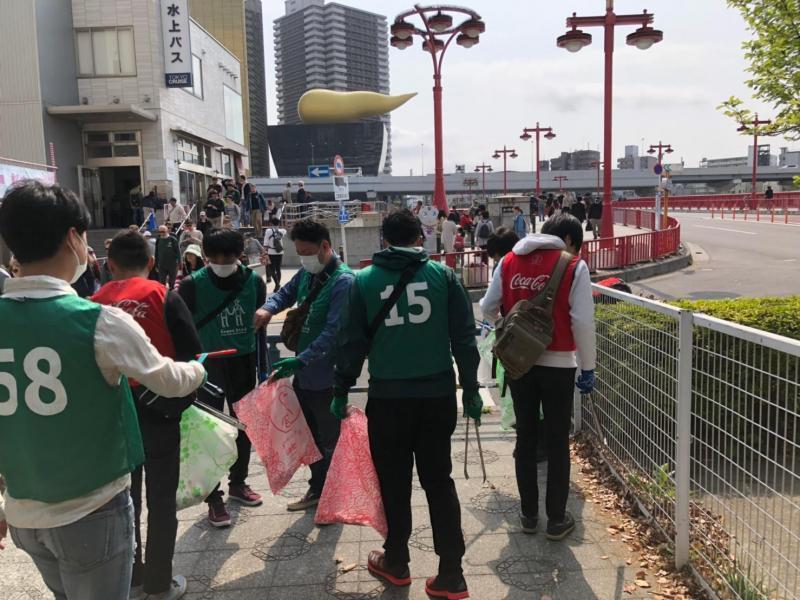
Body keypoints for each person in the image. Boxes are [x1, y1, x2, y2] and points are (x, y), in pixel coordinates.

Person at [0, 180, 205, 600]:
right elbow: (166, 377)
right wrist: (197, 371)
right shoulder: (97, 320)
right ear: (74, 239)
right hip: (92, 508)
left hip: (24, 512)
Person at [333, 209, 480, 599]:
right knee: (438, 480)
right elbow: (464, 338)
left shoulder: (361, 281)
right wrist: (472, 388)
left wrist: (340, 389)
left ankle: (396, 560)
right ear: (420, 238)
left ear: (384, 239)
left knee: (394, 483)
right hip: (436, 398)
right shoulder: (444, 276)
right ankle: (451, 573)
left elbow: (351, 344)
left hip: (389, 399)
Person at [93, 230, 204, 600]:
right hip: (159, 413)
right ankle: (159, 583)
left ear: (109, 266)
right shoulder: (163, 295)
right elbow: (193, 355)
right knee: (160, 500)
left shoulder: (92, 303)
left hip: (113, 418)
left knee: (125, 501)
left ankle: (131, 575)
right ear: (152, 263)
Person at [479, 213, 596, 542]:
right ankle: (556, 520)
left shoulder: (509, 261)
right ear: (570, 240)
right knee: (557, 443)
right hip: (560, 365)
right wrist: (588, 368)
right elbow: (583, 323)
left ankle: (528, 515)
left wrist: (510, 325)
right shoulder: (574, 267)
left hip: (520, 364)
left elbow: (487, 307)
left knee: (526, 439)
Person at [253, 219, 354, 512]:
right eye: (299, 253)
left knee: (330, 440)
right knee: (309, 437)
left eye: (308, 252)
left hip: (328, 377)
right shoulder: (309, 274)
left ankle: (334, 497)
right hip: (305, 375)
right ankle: (318, 490)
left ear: (325, 247)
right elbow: (286, 293)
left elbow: (333, 333)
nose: (304, 259)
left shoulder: (344, 282)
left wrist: (299, 360)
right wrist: (268, 308)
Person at [178, 229, 266, 527]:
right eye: (215, 257)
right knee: (208, 431)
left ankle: (238, 483)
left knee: (243, 425)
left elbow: (260, 318)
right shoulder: (191, 285)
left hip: (243, 361)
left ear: (239, 254)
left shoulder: (254, 282)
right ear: (206, 257)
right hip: (207, 366)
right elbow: (181, 327)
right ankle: (213, 498)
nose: (222, 262)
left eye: (228, 256)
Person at [263, 217, 287, 292]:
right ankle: (278, 284)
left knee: (272, 269)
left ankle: (277, 284)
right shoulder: (282, 231)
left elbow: (266, 242)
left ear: (271, 223)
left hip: (271, 252)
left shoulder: (268, 231)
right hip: (280, 252)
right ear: (279, 223)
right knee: (278, 269)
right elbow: (284, 229)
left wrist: (265, 251)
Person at [155, 225, 180, 289]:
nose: (161, 233)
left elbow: (178, 252)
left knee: (172, 283)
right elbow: (156, 253)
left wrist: (180, 262)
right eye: (160, 232)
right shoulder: (158, 240)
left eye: (163, 231)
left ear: (167, 231)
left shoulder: (173, 240)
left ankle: (171, 296)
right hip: (162, 265)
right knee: (162, 282)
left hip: (172, 265)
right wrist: (156, 264)